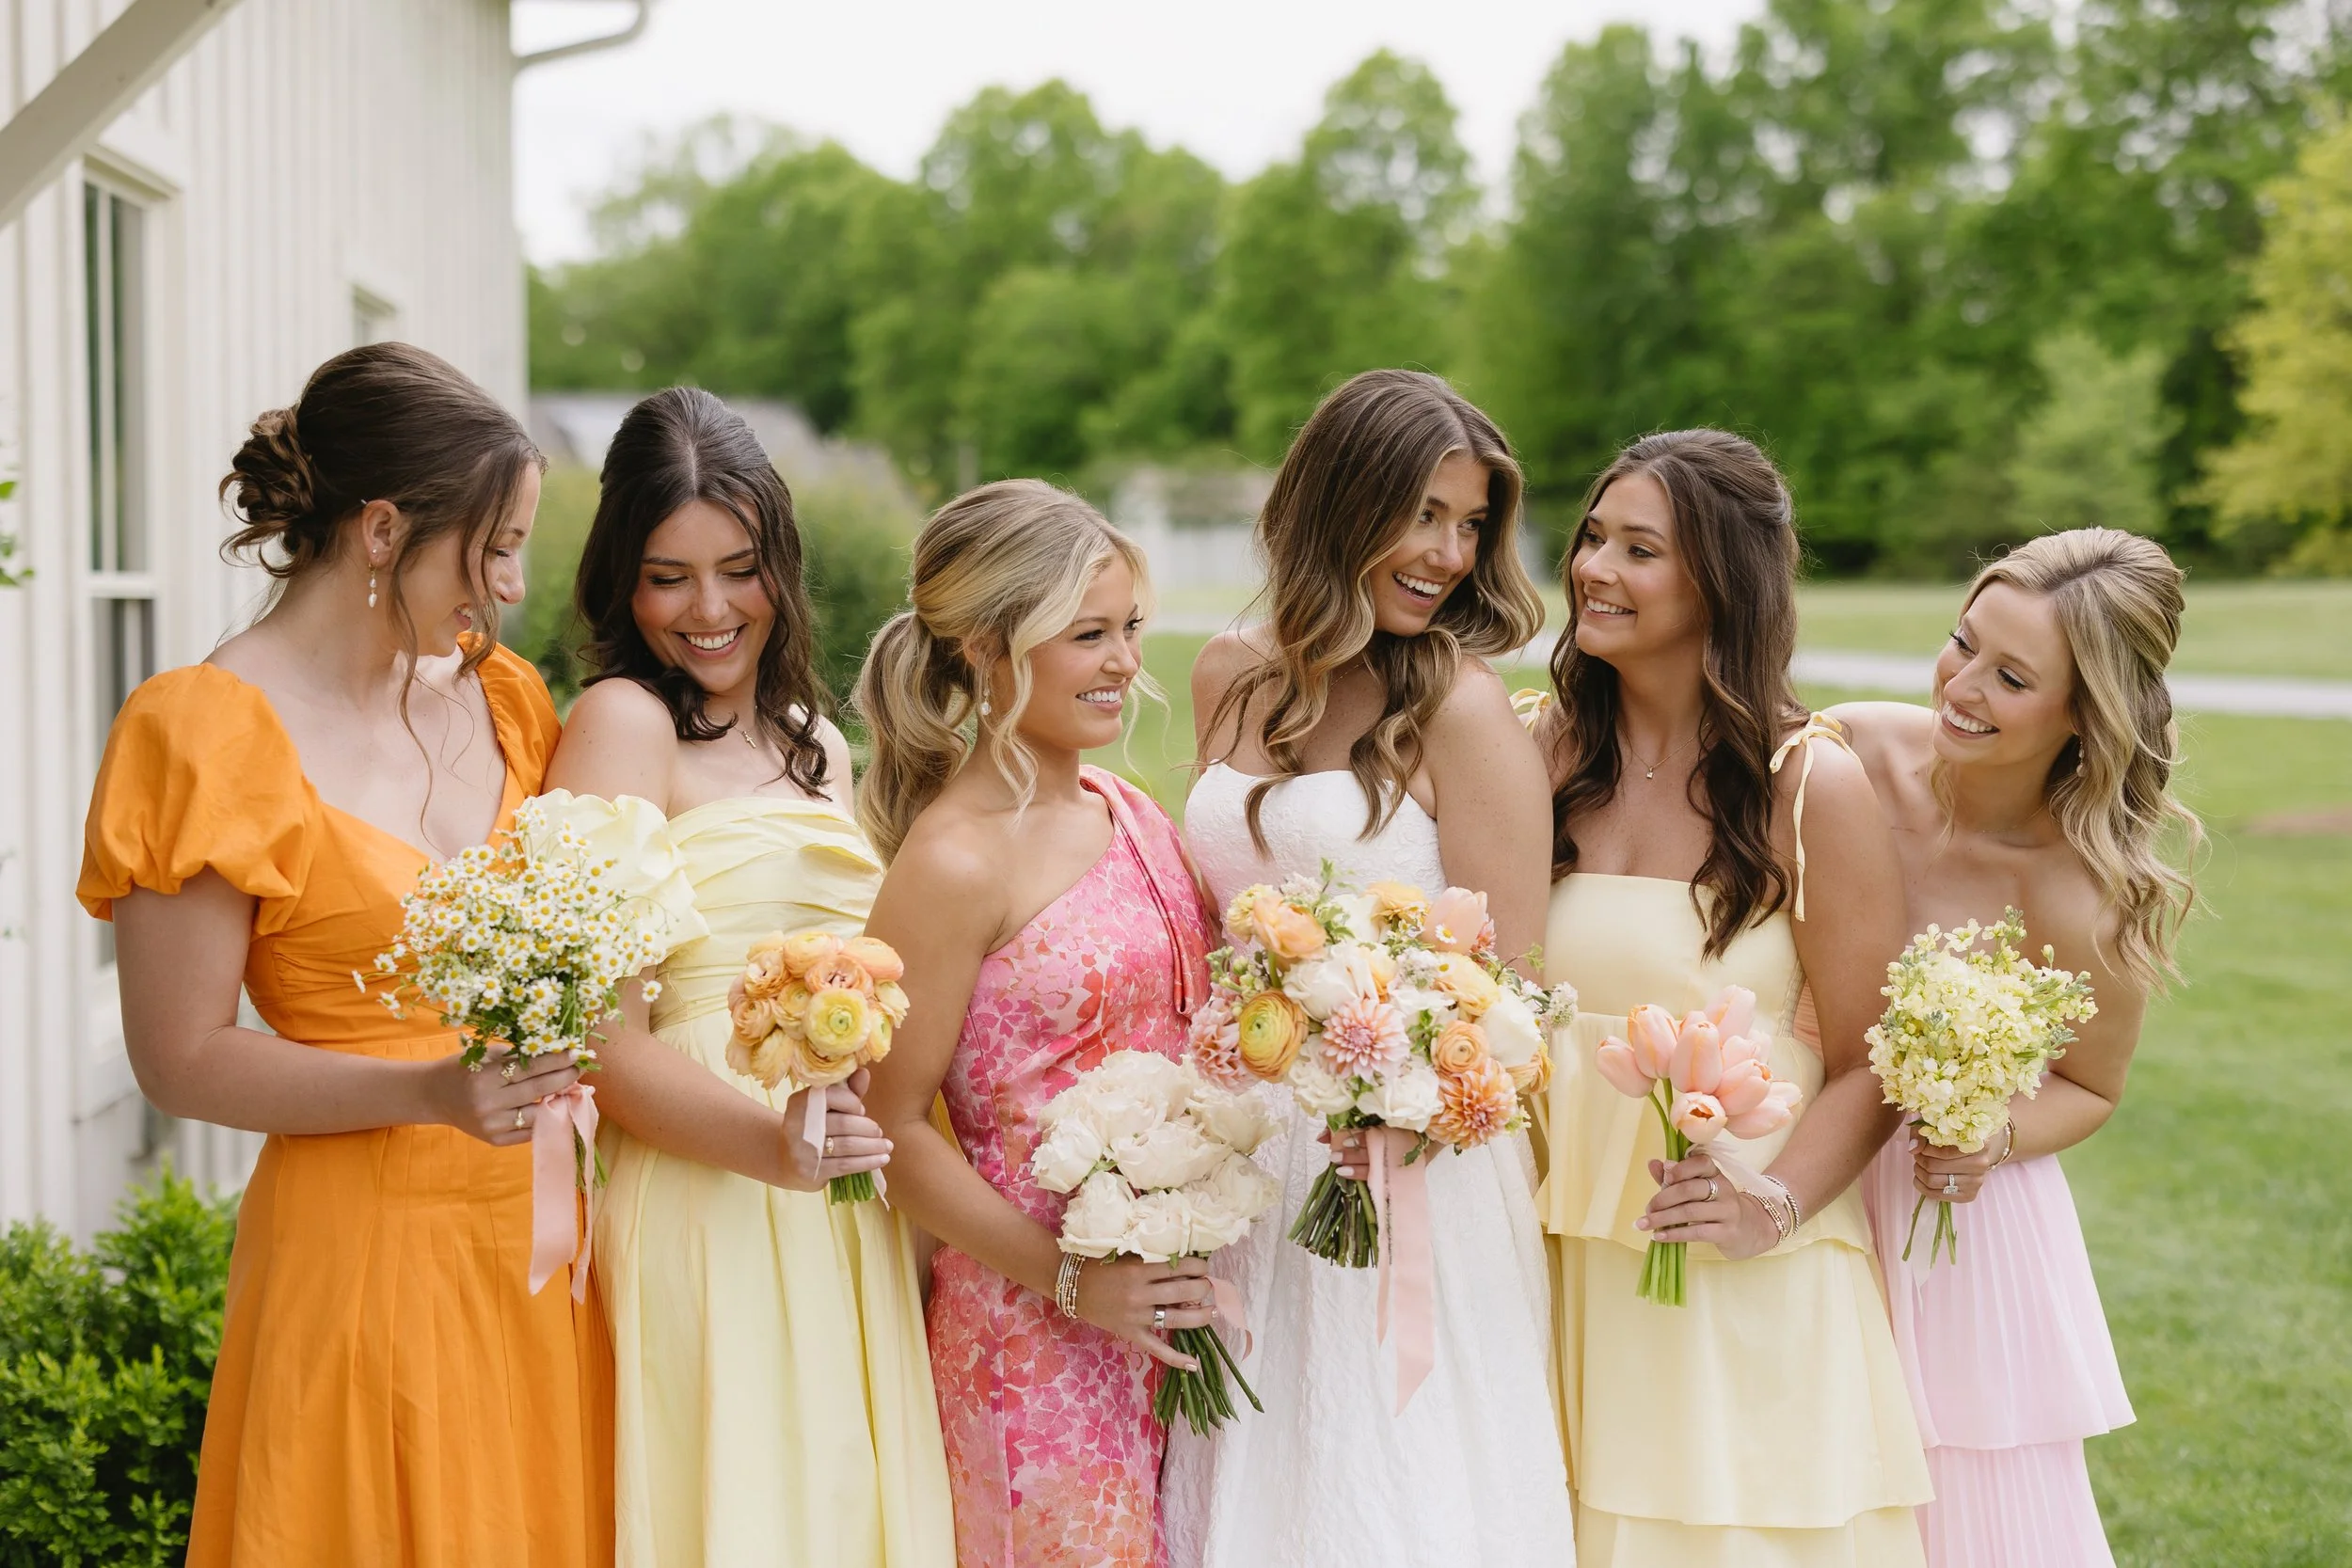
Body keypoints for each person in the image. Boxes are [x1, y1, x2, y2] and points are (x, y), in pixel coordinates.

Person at [78, 343, 611, 1565]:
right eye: (493, 547)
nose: (515, 584)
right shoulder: (203, 730)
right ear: (382, 531)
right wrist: (424, 1090)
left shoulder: (507, 700)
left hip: (540, 1253)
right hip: (363, 1255)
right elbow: (180, 1055)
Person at [1159, 368, 1575, 1567]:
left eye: (1470, 524)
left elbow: (1515, 990)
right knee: (1255, 1462)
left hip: (1400, 1157)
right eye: (1424, 514)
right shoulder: (1229, 670)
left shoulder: (1460, 704)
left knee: (1394, 1480)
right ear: (1340, 503)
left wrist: (1399, 1113)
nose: (1448, 552)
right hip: (1241, 1143)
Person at [544, 387, 952, 1567]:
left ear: (781, 559)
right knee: (750, 1507)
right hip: (713, 1183)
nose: (711, 608)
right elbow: (598, 1040)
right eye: (669, 575)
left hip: (838, 1193)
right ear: (621, 578)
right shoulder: (622, 720)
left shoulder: (810, 735)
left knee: (835, 1503)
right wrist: (772, 1145)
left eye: (740, 566)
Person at [1530, 428, 1931, 1565]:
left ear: (1723, 581)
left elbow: (1870, 1058)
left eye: (1639, 548)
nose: (1595, 568)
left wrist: (1773, 1203)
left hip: (1737, 1278)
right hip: (1560, 1269)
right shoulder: (1536, 749)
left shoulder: (1811, 783)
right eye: (1593, 537)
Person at [856, 480, 1216, 1568]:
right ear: (983, 646)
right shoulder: (952, 860)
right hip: (1028, 1332)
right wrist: (1071, 1280)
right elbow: (893, 1126)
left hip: (1166, 1312)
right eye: (1086, 634)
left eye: (1130, 630)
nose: (1123, 663)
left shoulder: (1131, 808)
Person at [1834, 529, 2198, 1567]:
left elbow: (2089, 1083)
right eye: (1962, 644)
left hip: (1945, 1222)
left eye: (2010, 675)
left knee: (1960, 1513)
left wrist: (1990, 1133)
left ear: (2084, 714)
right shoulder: (1849, 746)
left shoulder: (2076, 895)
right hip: (1807, 1166)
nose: (1961, 684)